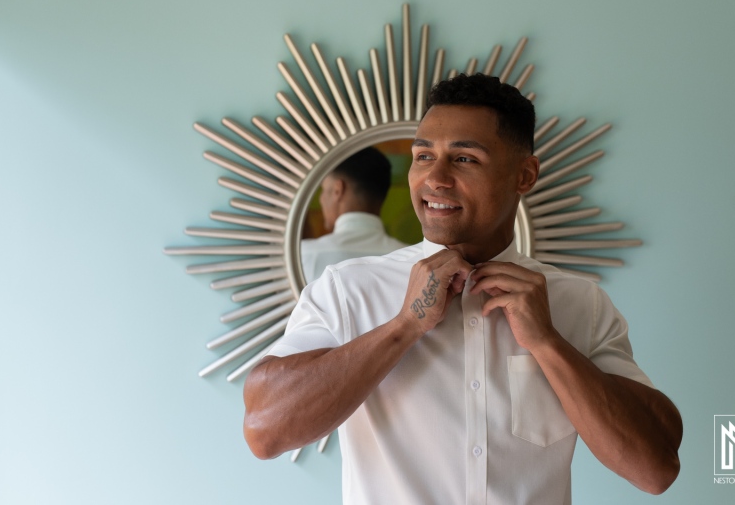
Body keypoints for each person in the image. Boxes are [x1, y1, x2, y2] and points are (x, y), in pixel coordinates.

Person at [243, 74, 683, 504]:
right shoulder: (346, 289)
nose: (435, 178)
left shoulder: (579, 303)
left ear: (524, 175)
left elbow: (655, 468)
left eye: (464, 159)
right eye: (422, 156)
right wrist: (404, 326)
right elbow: (265, 430)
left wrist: (547, 343)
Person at [301, 146, 408, 283]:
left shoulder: (304, 256)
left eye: (323, 189)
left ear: (337, 190)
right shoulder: (412, 259)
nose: (321, 198)